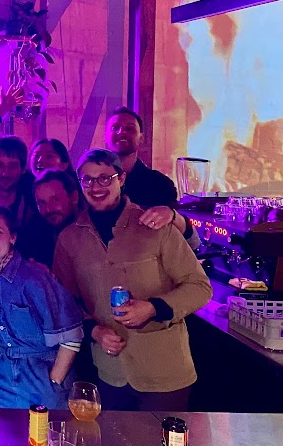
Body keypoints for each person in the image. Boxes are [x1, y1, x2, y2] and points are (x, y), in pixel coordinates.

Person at [53, 149, 212, 411]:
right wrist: (94, 331)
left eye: (105, 178)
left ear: (122, 179)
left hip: (165, 370)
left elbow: (200, 287)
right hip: (110, 372)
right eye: (87, 179)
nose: (96, 187)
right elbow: (65, 303)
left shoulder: (154, 226)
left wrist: (153, 308)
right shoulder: (69, 239)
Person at [0, 204, 84, 409]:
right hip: (1, 378)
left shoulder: (35, 277)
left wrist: (54, 381)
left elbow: (71, 335)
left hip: (41, 376)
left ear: (12, 237)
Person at [104, 107, 195, 240]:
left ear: (141, 138)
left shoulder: (159, 184)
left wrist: (171, 215)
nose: (121, 132)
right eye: (115, 127)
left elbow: (185, 237)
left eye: (129, 128)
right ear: (105, 136)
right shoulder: (91, 183)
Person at [17, 170, 81, 268]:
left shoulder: (91, 228)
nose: (48, 209)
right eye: (42, 203)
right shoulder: (33, 230)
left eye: (55, 200)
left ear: (74, 198)